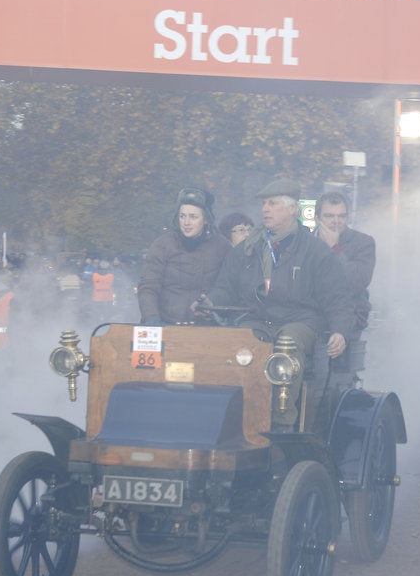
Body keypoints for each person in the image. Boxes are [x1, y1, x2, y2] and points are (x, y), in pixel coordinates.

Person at [200, 179, 355, 430]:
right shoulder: (248, 248)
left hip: (300, 321)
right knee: (238, 341)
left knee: (287, 343)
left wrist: (340, 331)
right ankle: (236, 414)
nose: (265, 209)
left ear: (293, 209)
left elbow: (337, 297)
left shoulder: (315, 250)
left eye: (273, 203)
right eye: (264, 204)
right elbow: (225, 287)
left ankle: (282, 422)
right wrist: (211, 301)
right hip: (257, 319)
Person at [138, 187, 231, 325]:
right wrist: (152, 318)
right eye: (182, 216)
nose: (186, 222)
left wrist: (212, 302)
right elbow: (148, 286)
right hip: (166, 323)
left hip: (207, 326)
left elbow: (227, 286)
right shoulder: (163, 245)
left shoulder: (221, 246)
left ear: (206, 219)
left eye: (193, 217)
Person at [314, 191, 375, 332]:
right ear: (317, 218)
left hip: (348, 316)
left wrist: (334, 249)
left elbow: (356, 283)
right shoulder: (304, 242)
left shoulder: (362, 243)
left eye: (341, 216)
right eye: (329, 216)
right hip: (308, 315)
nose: (336, 221)